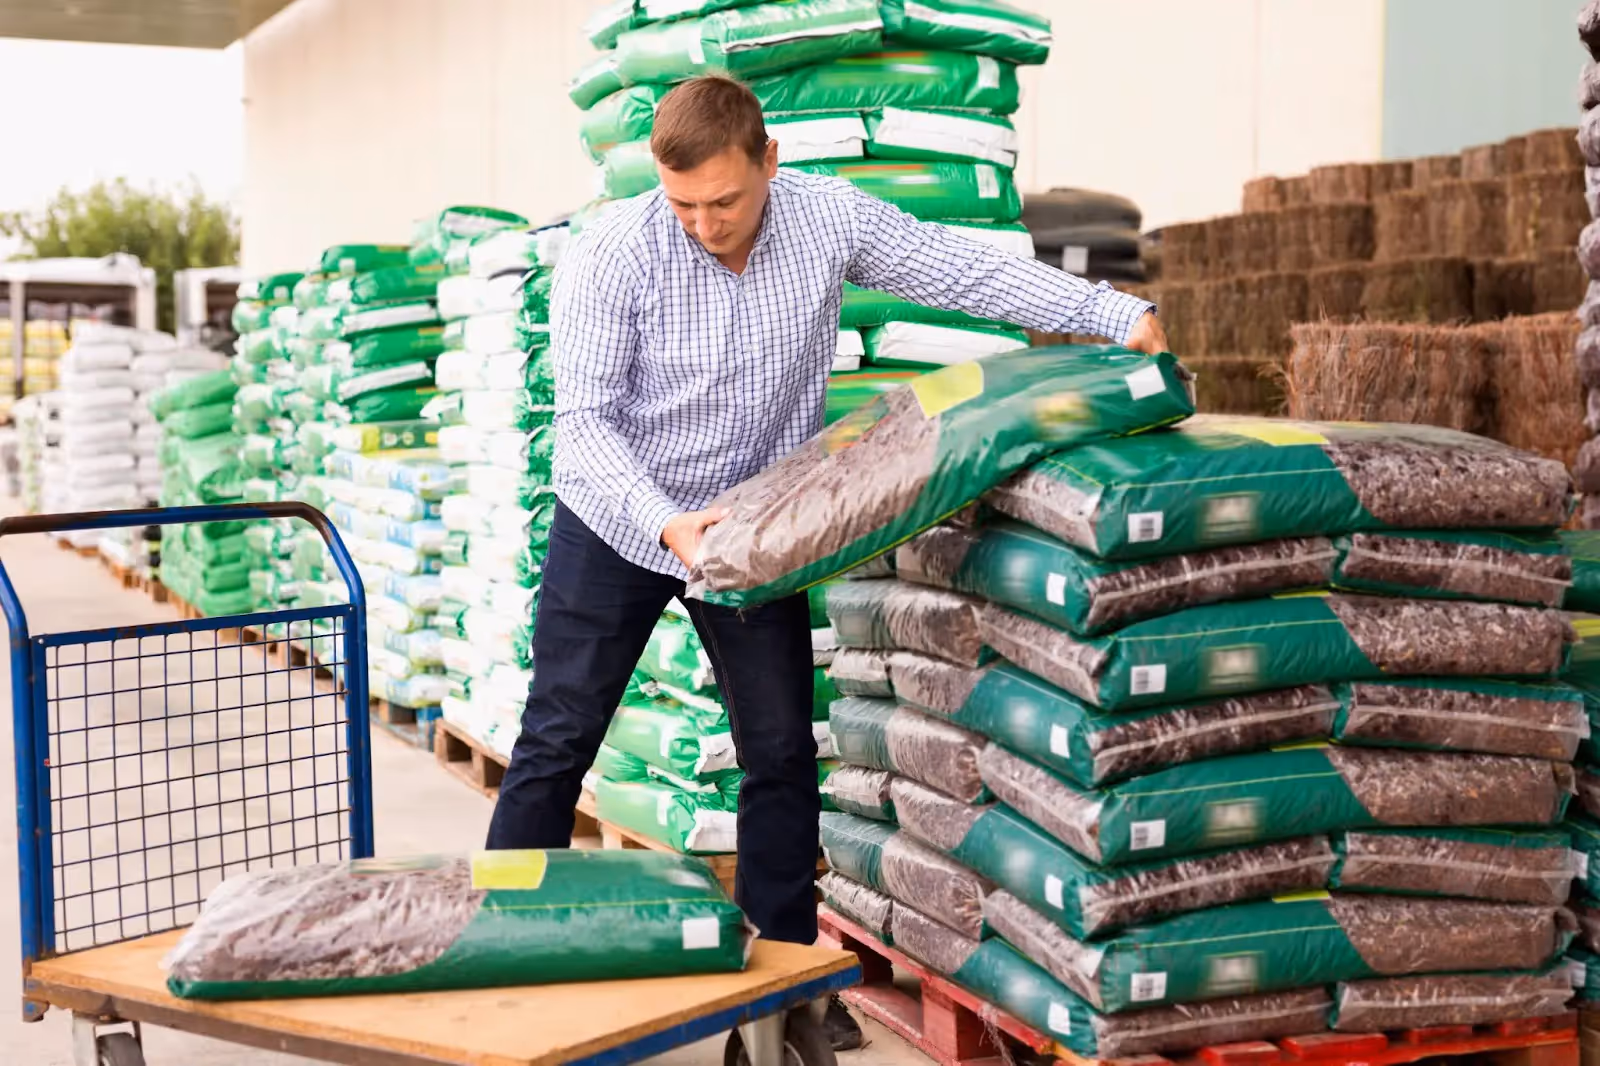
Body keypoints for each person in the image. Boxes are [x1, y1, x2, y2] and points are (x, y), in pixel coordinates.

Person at [486, 74, 1169, 1049]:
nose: (704, 224)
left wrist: (1108, 314)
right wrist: (669, 523)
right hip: (619, 518)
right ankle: (505, 949)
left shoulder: (824, 217)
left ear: (770, 163)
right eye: (683, 204)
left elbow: (957, 270)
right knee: (556, 736)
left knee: (780, 750)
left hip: (757, 526)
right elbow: (583, 430)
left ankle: (785, 988)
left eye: (724, 200)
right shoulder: (613, 253)